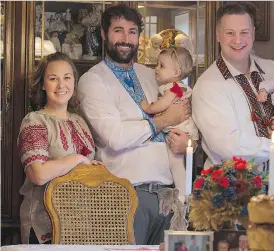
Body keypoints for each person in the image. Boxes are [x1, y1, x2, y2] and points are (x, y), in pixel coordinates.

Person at [77, 5, 191, 245]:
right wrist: (163, 120)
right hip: (125, 197)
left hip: (169, 195)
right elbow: (115, 137)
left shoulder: (151, 74)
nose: (126, 39)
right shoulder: (93, 80)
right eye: (118, 30)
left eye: (132, 31)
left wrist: (187, 142)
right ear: (104, 33)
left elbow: (183, 118)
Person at [192, 2, 274, 169]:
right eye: (230, 33)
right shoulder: (207, 86)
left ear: (253, 33)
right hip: (235, 186)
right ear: (218, 35)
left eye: (244, 32)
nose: (237, 40)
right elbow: (226, 145)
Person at [17, 52, 100, 244]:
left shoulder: (80, 121)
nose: (61, 85)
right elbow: (38, 174)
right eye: (53, 79)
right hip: (44, 226)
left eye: (67, 78)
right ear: (43, 85)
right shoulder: (34, 121)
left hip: (81, 225)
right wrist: (77, 159)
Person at [140, 46, 199, 202]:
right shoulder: (177, 87)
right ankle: (183, 192)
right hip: (182, 129)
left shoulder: (173, 88)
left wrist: (148, 107)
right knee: (177, 162)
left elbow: (162, 105)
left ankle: (183, 194)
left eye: (162, 66)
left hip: (179, 129)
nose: (156, 68)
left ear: (176, 73)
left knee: (176, 162)